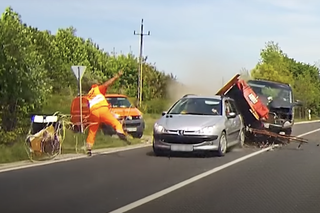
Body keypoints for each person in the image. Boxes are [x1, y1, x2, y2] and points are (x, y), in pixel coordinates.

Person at [85, 70, 130, 156]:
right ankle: (120, 132)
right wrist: (116, 77)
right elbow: (107, 84)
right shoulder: (98, 89)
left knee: (92, 130)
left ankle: (89, 148)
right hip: (102, 109)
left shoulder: (89, 95)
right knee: (115, 123)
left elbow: (89, 107)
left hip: (93, 112)